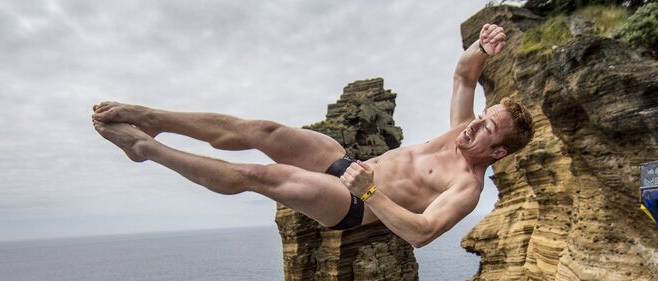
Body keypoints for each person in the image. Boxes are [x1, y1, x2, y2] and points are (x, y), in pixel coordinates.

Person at [92, 23, 533, 248]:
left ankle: (147, 149)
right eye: (482, 116)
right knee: (261, 130)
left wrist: (372, 191)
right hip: (349, 165)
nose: (474, 123)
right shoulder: (463, 130)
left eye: (487, 128)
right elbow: (463, 77)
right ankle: (154, 118)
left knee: (259, 175)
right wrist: (483, 45)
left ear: (496, 151)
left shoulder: (466, 188)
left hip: (356, 203)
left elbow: (421, 232)